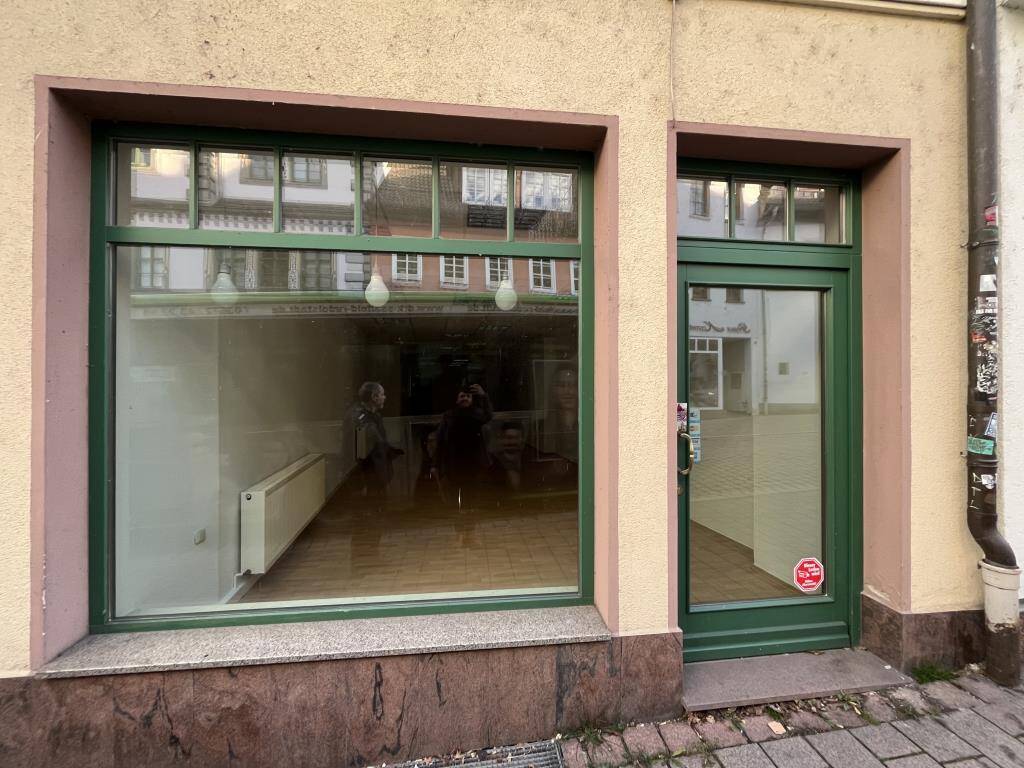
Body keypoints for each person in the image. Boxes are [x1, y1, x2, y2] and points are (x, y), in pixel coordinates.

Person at [436, 383, 493, 509]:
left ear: (472, 400)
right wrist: (437, 464)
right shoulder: (449, 416)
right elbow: (440, 441)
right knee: (453, 496)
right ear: (457, 400)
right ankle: (457, 519)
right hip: (454, 463)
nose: (465, 398)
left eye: (468, 396)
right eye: (462, 396)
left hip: (472, 463)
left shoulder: (477, 414)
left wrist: (483, 395)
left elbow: (488, 415)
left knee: (470, 495)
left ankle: (468, 519)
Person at [352, 381, 403, 507]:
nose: (384, 397)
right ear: (374, 397)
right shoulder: (361, 418)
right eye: (382, 394)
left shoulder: (375, 417)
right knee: (372, 507)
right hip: (369, 476)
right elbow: (360, 451)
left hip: (377, 474)